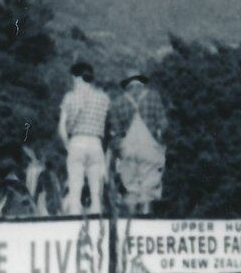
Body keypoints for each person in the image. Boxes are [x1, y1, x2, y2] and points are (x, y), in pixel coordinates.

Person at [108, 71, 169, 214]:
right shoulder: (153, 97)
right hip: (149, 147)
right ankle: (146, 219)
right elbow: (163, 122)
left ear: (127, 85)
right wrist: (160, 137)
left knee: (131, 188)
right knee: (149, 186)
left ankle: (132, 223)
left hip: (128, 148)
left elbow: (115, 131)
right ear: (141, 82)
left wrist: (120, 147)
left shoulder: (118, 102)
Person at [58, 61, 113, 217]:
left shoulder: (69, 97)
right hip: (96, 144)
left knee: (75, 189)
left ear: (77, 78)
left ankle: (75, 221)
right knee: (96, 193)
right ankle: (97, 221)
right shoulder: (104, 98)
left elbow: (62, 128)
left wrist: (68, 146)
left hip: (77, 142)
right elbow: (109, 125)